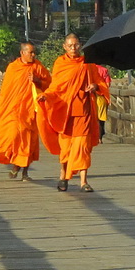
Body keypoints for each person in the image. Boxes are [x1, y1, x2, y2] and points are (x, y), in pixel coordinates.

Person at [37, 33, 110, 192]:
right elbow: (55, 87)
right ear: (64, 47)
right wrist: (45, 96)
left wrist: (95, 87)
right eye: (70, 46)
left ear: (80, 45)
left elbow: (99, 82)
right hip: (65, 112)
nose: (73, 48)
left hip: (83, 110)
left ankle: (84, 182)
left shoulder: (87, 63)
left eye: (76, 45)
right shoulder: (60, 64)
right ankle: (63, 174)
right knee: (66, 148)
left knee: (83, 146)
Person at [0, 42, 51, 181]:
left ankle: (23, 172)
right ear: (22, 53)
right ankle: (15, 165)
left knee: (29, 141)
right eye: (30, 52)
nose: (33, 55)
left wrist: (38, 81)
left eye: (33, 52)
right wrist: (4, 107)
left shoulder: (37, 67)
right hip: (13, 110)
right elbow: (7, 90)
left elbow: (49, 84)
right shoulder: (13, 68)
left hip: (31, 110)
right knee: (13, 136)